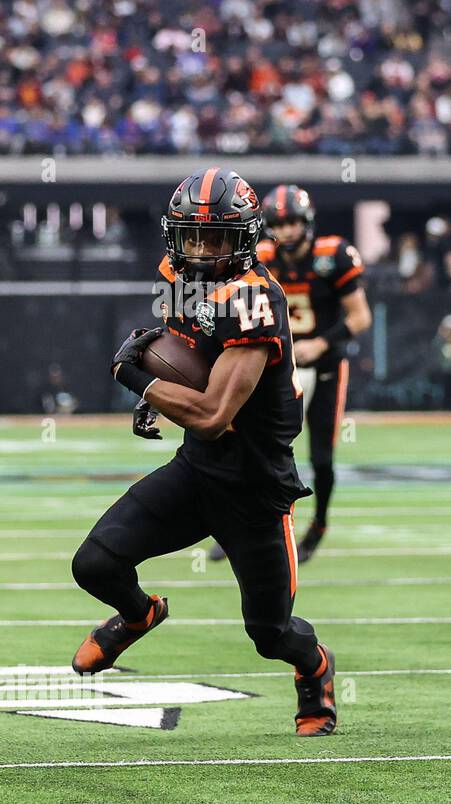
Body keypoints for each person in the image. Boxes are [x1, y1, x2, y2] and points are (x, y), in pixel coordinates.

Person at [70, 167, 336, 736]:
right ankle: (139, 614)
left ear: (243, 238)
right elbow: (182, 343)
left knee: (270, 634)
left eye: (216, 238)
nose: (202, 251)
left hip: (255, 487)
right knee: (94, 564)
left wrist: (138, 381)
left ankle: (314, 668)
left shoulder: (254, 299)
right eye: (192, 237)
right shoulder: (176, 274)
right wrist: (159, 397)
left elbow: (215, 416)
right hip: (197, 471)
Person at [210, 184, 371, 564]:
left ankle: (318, 525)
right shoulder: (260, 257)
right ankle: (240, 526)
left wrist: (321, 344)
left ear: (307, 221)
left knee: (320, 456)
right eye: (280, 223)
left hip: (324, 367)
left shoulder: (333, 256)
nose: (286, 230)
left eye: (293, 222)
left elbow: (360, 317)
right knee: (250, 446)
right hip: (277, 369)